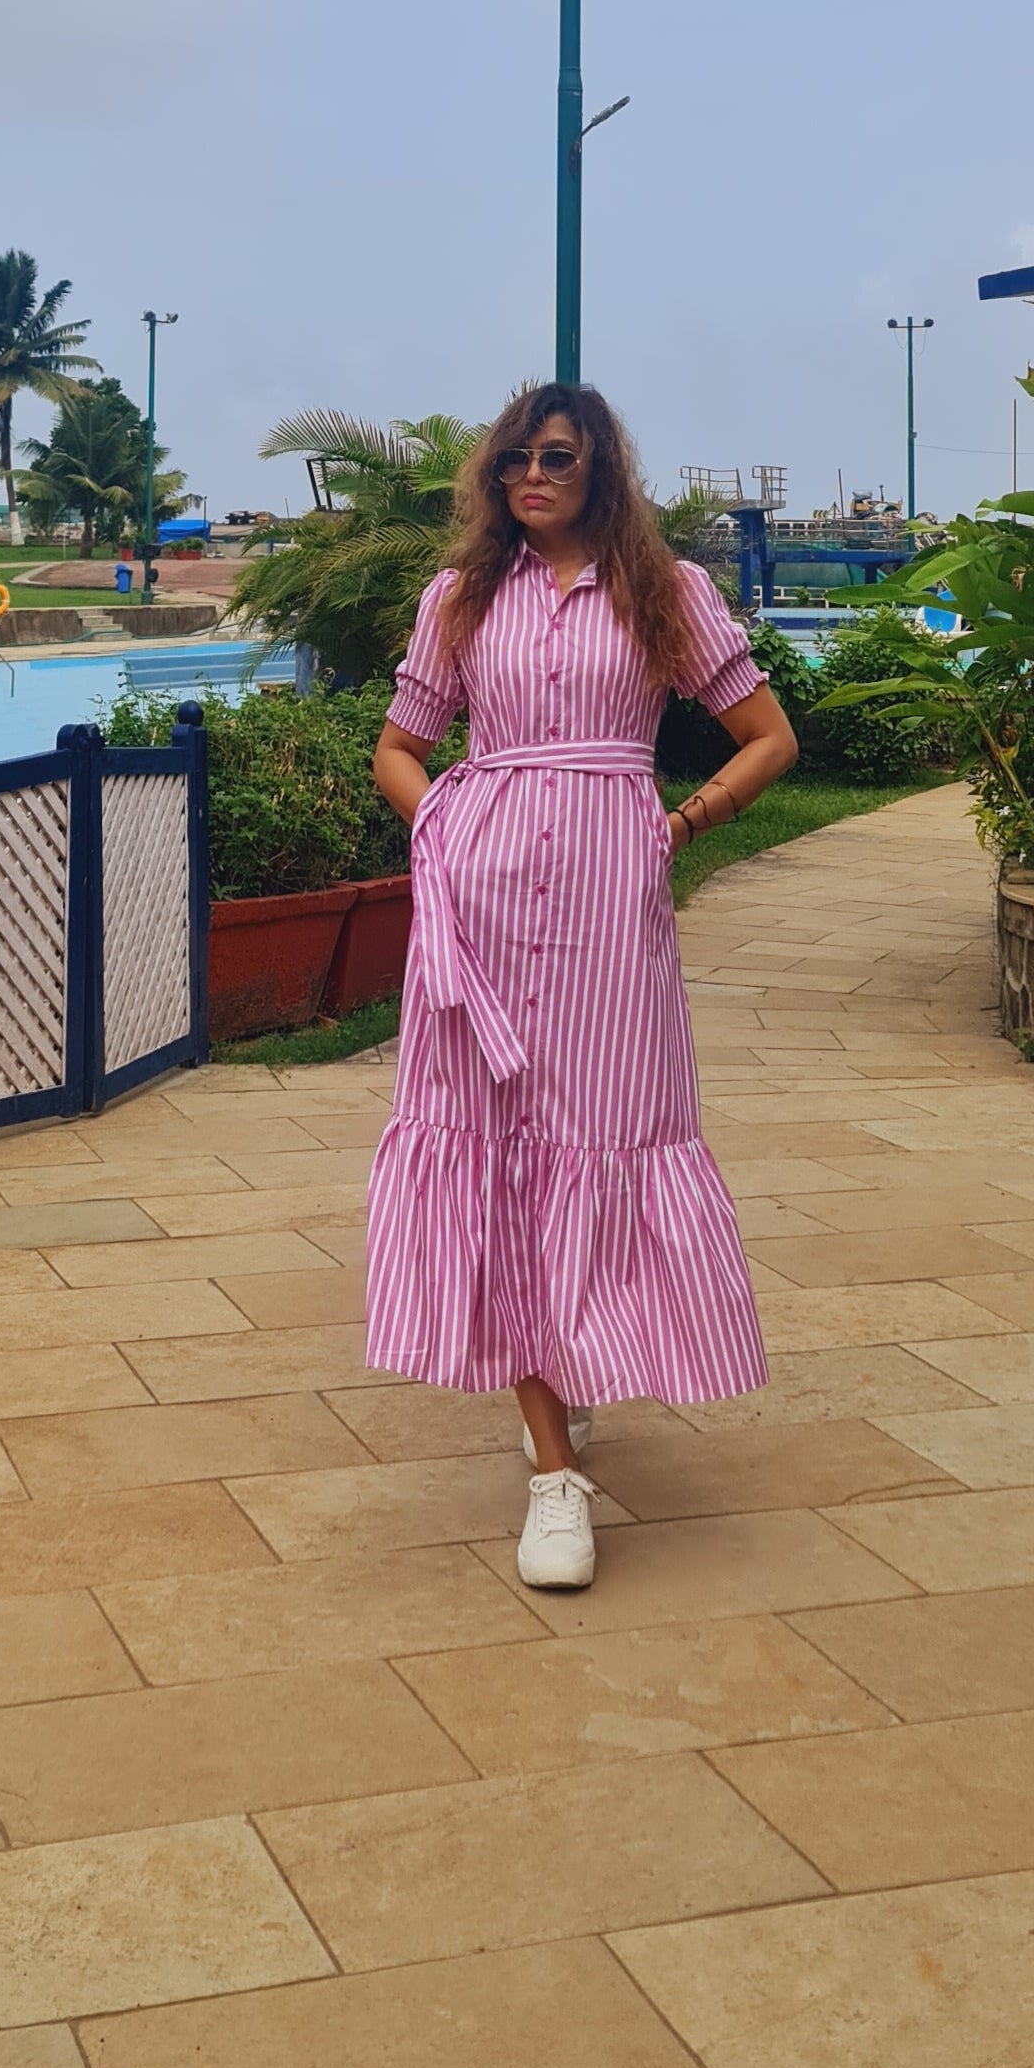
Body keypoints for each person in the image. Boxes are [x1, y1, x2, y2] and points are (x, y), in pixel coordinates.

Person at [367, 383, 798, 1593]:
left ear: (601, 468)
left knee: (601, 1139)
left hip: (614, 913)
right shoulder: (457, 601)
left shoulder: (666, 594)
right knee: (503, 1152)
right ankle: (554, 1472)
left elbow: (767, 736)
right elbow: (399, 748)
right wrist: (442, 821)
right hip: (483, 904)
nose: (529, 476)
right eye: (511, 460)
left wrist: (686, 818)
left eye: (554, 457)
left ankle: (567, 1364)